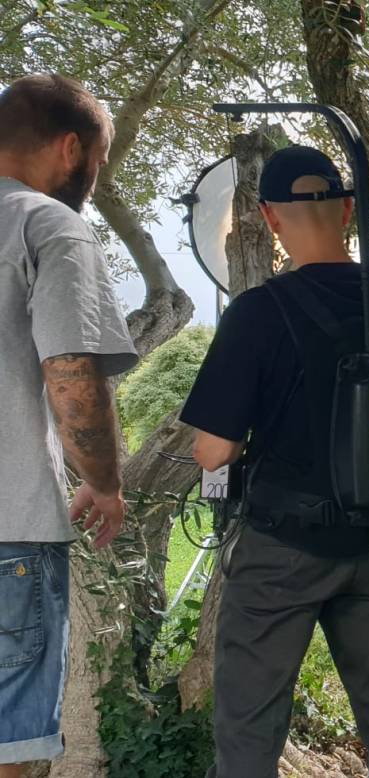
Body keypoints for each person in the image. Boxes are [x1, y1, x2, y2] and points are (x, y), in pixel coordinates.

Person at [181, 145, 369, 777]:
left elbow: (215, 449)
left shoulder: (258, 313)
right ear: (347, 210)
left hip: (282, 552)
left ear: (269, 218)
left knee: (249, 727)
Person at [0, 74, 137, 777]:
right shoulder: (47, 223)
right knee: (11, 749)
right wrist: (105, 484)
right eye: (100, 160)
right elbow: (73, 378)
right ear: (71, 148)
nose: (95, 177)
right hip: (11, 529)